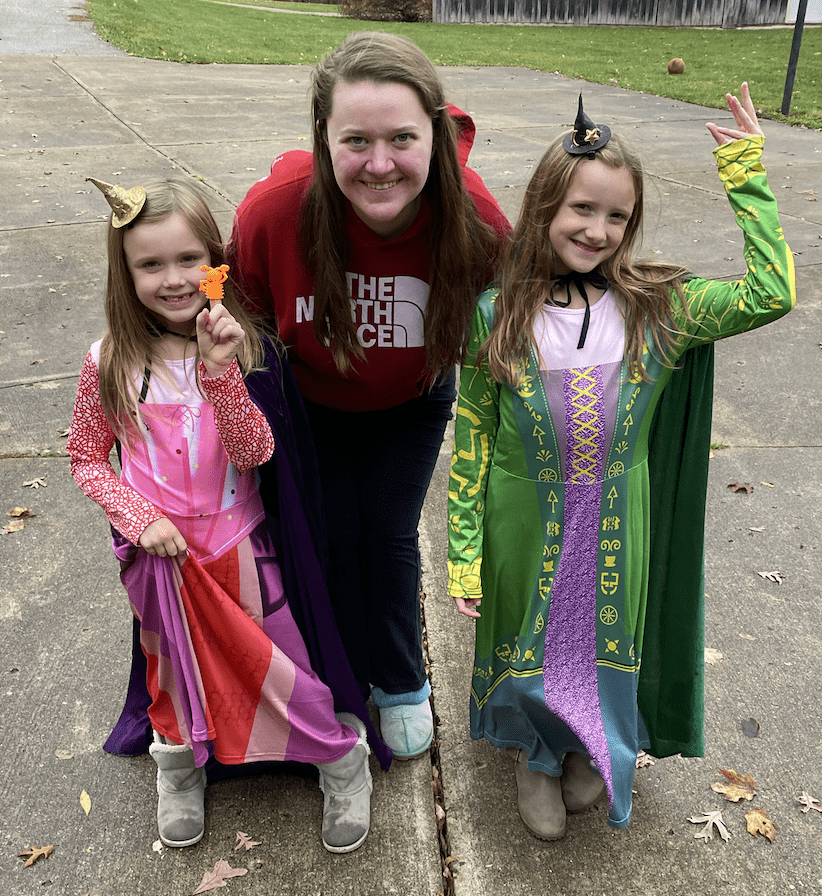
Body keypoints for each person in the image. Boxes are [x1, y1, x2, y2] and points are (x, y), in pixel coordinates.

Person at [447, 84, 795, 838]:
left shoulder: (658, 309)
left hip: (616, 511)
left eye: (617, 215)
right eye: (582, 208)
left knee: (602, 637)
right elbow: (471, 439)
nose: (598, 229)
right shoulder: (495, 313)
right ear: (544, 206)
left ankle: (585, 747)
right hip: (520, 512)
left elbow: (772, 294)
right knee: (529, 638)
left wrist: (744, 170)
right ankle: (536, 756)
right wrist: (465, 555)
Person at [68, 175, 387, 854]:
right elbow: (87, 460)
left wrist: (219, 373)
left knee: (283, 665)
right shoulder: (107, 363)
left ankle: (340, 760)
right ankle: (179, 770)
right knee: (171, 673)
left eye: (188, 260)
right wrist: (135, 515)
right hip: (160, 563)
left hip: (242, 546)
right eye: (150, 264)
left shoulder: (245, 348)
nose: (173, 279)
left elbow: (256, 450)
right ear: (124, 274)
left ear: (215, 265)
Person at [228, 31, 510, 760]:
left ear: (435, 137)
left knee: (384, 536)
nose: (379, 163)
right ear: (323, 140)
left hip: (411, 402)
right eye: (356, 140)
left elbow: (526, 312)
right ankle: (336, 674)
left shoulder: (476, 220)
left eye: (402, 138)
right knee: (324, 536)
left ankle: (401, 680)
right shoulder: (272, 213)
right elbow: (229, 295)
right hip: (308, 400)